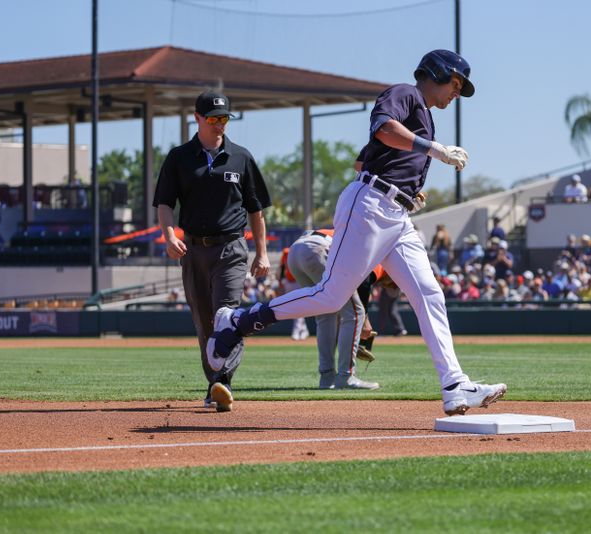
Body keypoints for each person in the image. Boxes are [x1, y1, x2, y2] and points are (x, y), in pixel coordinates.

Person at [206, 49, 506, 416]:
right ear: (437, 73)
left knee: (430, 294)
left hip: (395, 212)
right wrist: (434, 151)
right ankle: (236, 320)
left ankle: (454, 385)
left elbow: (365, 158)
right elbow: (382, 128)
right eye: (455, 83)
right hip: (371, 205)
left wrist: (408, 186)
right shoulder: (405, 93)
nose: (456, 93)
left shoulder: (424, 114)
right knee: (331, 297)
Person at [153, 90, 271, 413]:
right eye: (214, 119)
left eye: (225, 119)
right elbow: (164, 202)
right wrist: (168, 235)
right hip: (192, 249)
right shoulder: (179, 158)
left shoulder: (241, 157)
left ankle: (224, 382)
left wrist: (261, 253)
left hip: (232, 248)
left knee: (227, 316)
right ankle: (215, 382)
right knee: (205, 323)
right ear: (198, 119)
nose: (220, 125)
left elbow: (256, 209)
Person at [285, 229, 380, 389]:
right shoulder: (384, 263)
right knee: (355, 314)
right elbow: (364, 283)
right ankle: (346, 375)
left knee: (326, 314)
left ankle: (327, 377)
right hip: (318, 250)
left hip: (295, 252)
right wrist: (365, 320)